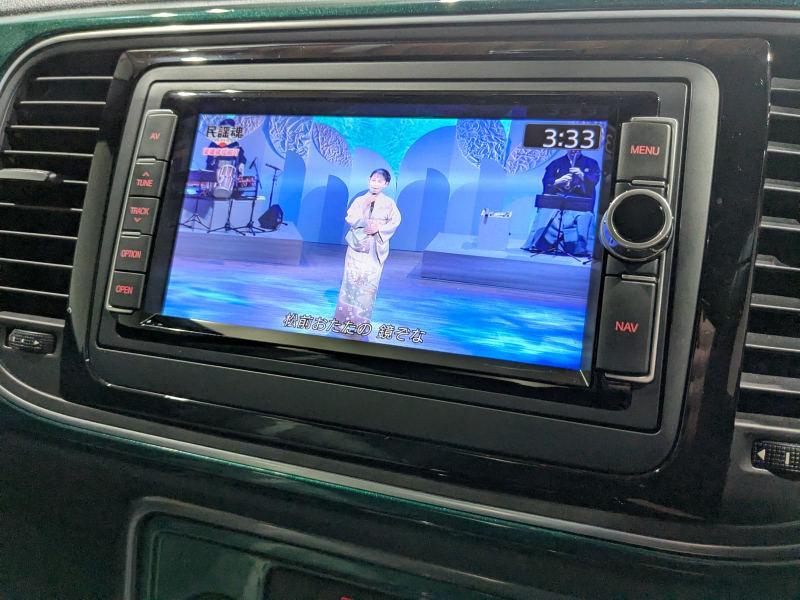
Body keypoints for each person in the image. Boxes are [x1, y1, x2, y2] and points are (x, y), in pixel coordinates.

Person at [334, 169, 401, 336]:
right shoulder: (359, 200)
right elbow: (350, 218)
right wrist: (364, 207)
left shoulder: (389, 203)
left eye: (380, 181)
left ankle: (361, 323)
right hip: (357, 245)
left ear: (386, 184)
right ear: (368, 180)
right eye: (374, 180)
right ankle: (342, 321)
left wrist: (378, 228)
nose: (376, 183)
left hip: (375, 247)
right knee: (350, 282)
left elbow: (395, 222)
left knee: (368, 285)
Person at [522, 149, 600, 254]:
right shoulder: (556, 163)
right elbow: (546, 180)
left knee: (585, 216)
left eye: (577, 149)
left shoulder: (591, 163)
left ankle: (579, 248)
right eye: (572, 148)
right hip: (558, 197)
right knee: (545, 212)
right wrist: (558, 181)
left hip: (579, 201)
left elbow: (594, 180)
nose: (574, 151)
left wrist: (582, 175)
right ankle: (541, 244)